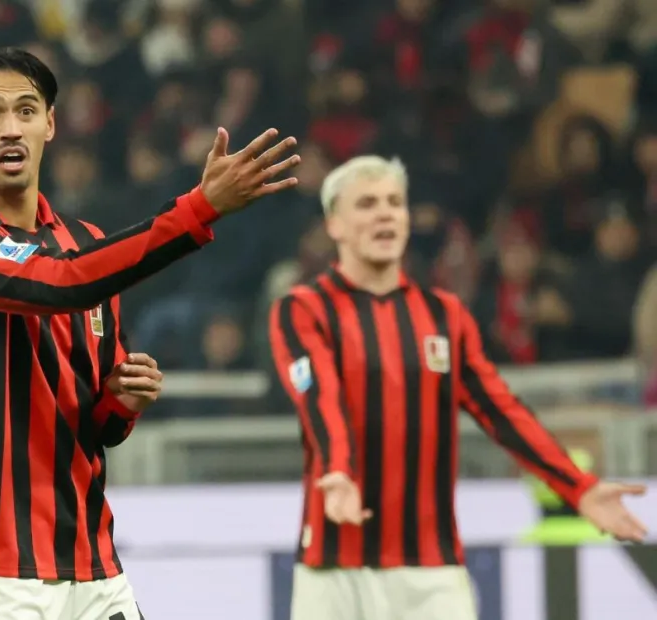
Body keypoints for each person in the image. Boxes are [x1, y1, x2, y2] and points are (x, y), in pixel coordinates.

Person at [0, 47, 300, 620]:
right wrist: (199, 208)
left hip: (91, 557)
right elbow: (60, 284)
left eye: (26, 110)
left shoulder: (87, 244)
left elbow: (100, 427)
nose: (10, 127)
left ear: (49, 124)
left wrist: (122, 400)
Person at [268, 155, 647, 620]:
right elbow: (319, 395)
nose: (385, 214)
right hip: (334, 569)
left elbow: (501, 410)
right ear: (335, 225)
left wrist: (578, 487)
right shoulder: (303, 310)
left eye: (394, 203)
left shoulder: (444, 316)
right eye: (366, 204)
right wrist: (339, 471)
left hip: (432, 571)